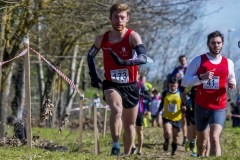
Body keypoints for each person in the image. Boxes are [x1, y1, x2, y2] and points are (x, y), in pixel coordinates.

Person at [87, 3, 148, 156]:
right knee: (116, 108)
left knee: (129, 125)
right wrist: (93, 76)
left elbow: (143, 57)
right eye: (116, 17)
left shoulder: (133, 36)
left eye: (122, 17)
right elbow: (90, 55)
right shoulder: (102, 39)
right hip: (111, 83)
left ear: (127, 19)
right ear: (110, 18)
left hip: (131, 85)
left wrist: (124, 62)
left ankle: (126, 155)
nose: (118, 21)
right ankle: (115, 144)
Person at [182, 31, 236, 157]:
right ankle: (200, 155)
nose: (216, 45)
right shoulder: (198, 60)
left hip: (219, 106)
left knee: (214, 137)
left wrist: (232, 83)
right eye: (213, 43)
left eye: (218, 43)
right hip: (201, 106)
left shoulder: (228, 63)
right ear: (208, 44)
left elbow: (231, 77)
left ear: (222, 44)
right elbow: (185, 81)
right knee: (202, 141)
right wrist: (201, 77)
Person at [158, 77, 182, 156]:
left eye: (174, 86)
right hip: (167, 117)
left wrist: (185, 107)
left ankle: (173, 151)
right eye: (171, 86)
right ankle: (166, 140)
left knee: (176, 137)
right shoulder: (165, 93)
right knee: (168, 132)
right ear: (168, 85)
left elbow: (184, 104)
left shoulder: (181, 93)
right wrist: (158, 112)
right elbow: (161, 103)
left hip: (177, 118)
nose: (172, 87)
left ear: (177, 85)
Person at [132, 74, 151, 155]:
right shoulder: (127, 82)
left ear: (138, 75)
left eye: (136, 73)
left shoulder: (141, 84)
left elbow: (149, 97)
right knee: (130, 128)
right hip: (129, 108)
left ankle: (140, 149)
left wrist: (141, 95)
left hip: (139, 109)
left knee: (139, 130)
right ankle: (132, 147)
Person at [171, 55, 188, 146]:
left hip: (189, 93)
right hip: (179, 94)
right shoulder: (177, 69)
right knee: (182, 117)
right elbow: (171, 79)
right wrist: (175, 76)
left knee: (187, 118)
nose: (182, 62)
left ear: (186, 60)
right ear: (179, 61)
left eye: (184, 60)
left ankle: (188, 136)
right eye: (181, 60)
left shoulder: (190, 68)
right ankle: (184, 137)